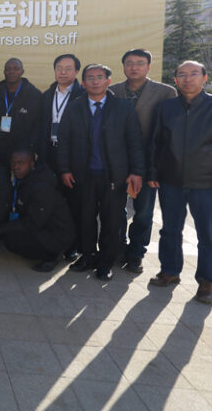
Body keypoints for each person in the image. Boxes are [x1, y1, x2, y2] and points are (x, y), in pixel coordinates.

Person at [148, 60, 212, 305]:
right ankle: (169, 271)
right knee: (170, 230)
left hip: (208, 184)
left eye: (193, 73)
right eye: (182, 74)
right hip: (171, 181)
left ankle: (207, 282)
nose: (187, 79)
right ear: (175, 80)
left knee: (208, 236)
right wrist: (153, 173)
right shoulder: (165, 108)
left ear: (204, 78)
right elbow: (155, 144)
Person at [57, 64, 144, 281]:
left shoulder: (123, 107)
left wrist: (136, 171)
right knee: (85, 219)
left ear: (108, 81)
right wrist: (65, 169)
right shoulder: (74, 107)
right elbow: (64, 140)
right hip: (83, 174)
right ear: (83, 83)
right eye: (90, 78)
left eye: (99, 77)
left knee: (111, 221)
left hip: (114, 175)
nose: (95, 81)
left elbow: (134, 142)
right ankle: (87, 256)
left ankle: (106, 262)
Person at [109, 49, 177, 273]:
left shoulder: (165, 92)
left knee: (144, 212)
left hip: (149, 163)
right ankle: (118, 248)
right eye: (129, 63)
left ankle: (136, 253)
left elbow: (169, 132)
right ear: (123, 67)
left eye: (139, 63)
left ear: (148, 66)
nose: (134, 67)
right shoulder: (112, 91)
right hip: (116, 162)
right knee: (115, 210)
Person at [0, 149, 75, 272]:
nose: (16, 167)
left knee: (11, 240)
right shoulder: (24, 179)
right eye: (13, 163)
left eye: (21, 163)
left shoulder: (41, 187)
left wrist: (1, 229)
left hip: (57, 235)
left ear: (32, 164)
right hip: (43, 227)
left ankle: (53, 255)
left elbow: (34, 222)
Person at [41, 53, 85, 261]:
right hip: (50, 152)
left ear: (76, 71)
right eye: (59, 68)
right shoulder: (47, 95)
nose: (63, 72)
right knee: (51, 200)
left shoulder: (83, 95)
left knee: (74, 202)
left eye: (68, 68)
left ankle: (72, 245)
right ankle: (52, 242)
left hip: (73, 157)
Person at [0, 58, 44, 168]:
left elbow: (38, 125)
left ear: (22, 72)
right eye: (8, 69)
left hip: (23, 151)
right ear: (4, 72)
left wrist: (31, 148)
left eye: (16, 69)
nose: (11, 71)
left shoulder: (34, 95)